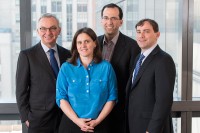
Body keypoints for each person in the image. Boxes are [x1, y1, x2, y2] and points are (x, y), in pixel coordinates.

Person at [16, 13, 71, 133]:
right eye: (43, 28)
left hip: (65, 117)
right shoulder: (27, 56)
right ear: (38, 31)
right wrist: (26, 117)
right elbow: (21, 90)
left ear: (59, 30)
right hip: (38, 120)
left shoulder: (68, 55)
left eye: (53, 28)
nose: (48, 32)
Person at [56, 27, 117, 133]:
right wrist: (77, 121)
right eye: (79, 42)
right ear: (75, 45)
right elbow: (61, 98)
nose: (83, 46)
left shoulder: (106, 67)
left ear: (95, 43)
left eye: (87, 41)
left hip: (100, 125)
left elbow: (112, 98)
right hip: (71, 125)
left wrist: (97, 121)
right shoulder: (66, 68)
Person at [126, 18, 176, 133]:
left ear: (157, 34)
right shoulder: (138, 58)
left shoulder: (163, 60)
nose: (141, 35)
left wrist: (152, 130)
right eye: (138, 32)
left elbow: (164, 101)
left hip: (151, 128)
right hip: (135, 125)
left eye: (146, 31)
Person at [98, 3, 141, 133]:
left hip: (119, 112)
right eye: (106, 18)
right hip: (95, 110)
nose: (109, 22)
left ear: (121, 22)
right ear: (101, 21)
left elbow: (133, 83)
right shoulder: (93, 43)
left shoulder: (133, 47)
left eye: (113, 18)